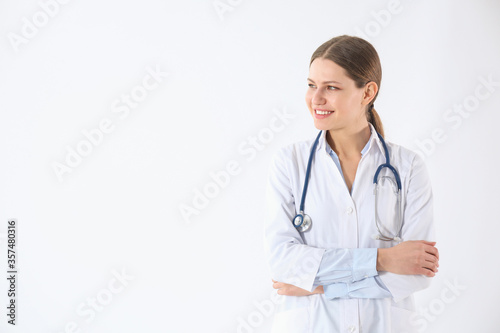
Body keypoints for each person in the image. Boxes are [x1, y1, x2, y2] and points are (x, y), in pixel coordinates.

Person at [264, 35, 439, 333]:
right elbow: (283, 262)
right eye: (311, 85)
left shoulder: (408, 168)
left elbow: (416, 273)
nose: (315, 98)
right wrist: (383, 259)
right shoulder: (289, 163)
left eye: (331, 87)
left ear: (368, 92)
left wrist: (321, 286)